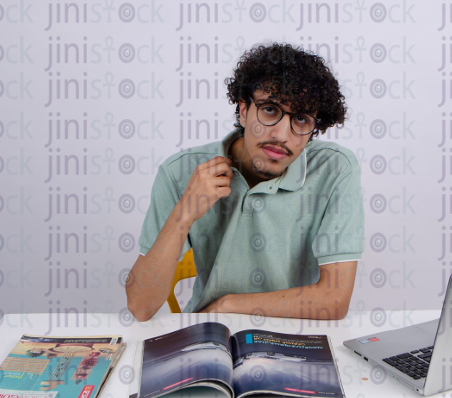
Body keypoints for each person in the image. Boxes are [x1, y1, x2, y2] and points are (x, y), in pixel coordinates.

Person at [126, 42, 365, 322]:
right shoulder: (180, 171)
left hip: (294, 334)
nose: (281, 134)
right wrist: (184, 214)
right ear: (243, 110)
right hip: (209, 336)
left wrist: (226, 305)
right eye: (270, 110)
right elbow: (141, 306)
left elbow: (334, 300)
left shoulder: (335, 170)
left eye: (300, 119)